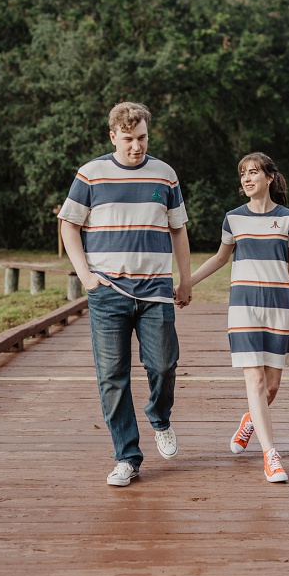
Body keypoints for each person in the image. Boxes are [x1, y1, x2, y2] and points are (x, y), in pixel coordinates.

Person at [59, 102, 192, 487]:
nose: (137, 146)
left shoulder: (164, 175)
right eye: (129, 139)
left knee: (165, 364)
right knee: (112, 377)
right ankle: (127, 457)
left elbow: (178, 229)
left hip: (155, 290)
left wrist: (184, 280)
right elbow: (69, 225)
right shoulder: (91, 174)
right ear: (113, 136)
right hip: (108, 291)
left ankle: (160, 417)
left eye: (143, 138)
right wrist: (86, 275)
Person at [186, 152, 289, 483]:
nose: (246, 178)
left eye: (253, 172)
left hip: (280, 308)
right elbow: (219, 258)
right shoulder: (233, 218)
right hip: (244, 308)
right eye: (242, 173)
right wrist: (187, 283)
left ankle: (250, 421)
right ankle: (271, 456)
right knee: (255, 380)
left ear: (269, 178)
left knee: (270, 386)